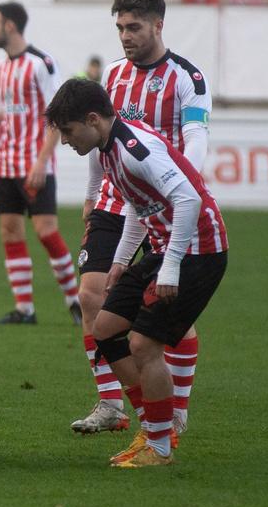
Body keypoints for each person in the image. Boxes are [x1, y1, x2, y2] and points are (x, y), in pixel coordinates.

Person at [49, 78, 229, 468]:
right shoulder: (109, 147)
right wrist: (120, 261)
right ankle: (154, 427)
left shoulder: (134, 149)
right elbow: (139, 204)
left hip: (200, 251)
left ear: (92, 119)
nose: (65, 141)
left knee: (144, 345)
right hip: (169, 249)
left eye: (67, 131)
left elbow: (189, 198)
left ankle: (160, 445)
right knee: (105, 327)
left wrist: (169, 266)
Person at [70, 0, 209, 438]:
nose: (125, 36)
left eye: (134, 27)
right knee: (92, 295)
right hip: (115, 197)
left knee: (165, 311)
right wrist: (92, 192)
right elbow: (95, 137)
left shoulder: (187, 78)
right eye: (120, 28)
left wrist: (185, 190)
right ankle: (112, 402)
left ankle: (176, 407)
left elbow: (196, 144)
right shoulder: (111, 75)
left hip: (161, 203)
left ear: (158, 25)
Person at [0, 2, 74, 325]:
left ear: (11, 26)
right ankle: (24, 309)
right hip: (6, 163)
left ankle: (75, 301)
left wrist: (43, 161)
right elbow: (13, 110)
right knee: (10, 232)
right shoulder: (2, 68)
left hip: (34, 162)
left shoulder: (41, 64)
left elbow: (56, 116)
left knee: (46, 231)